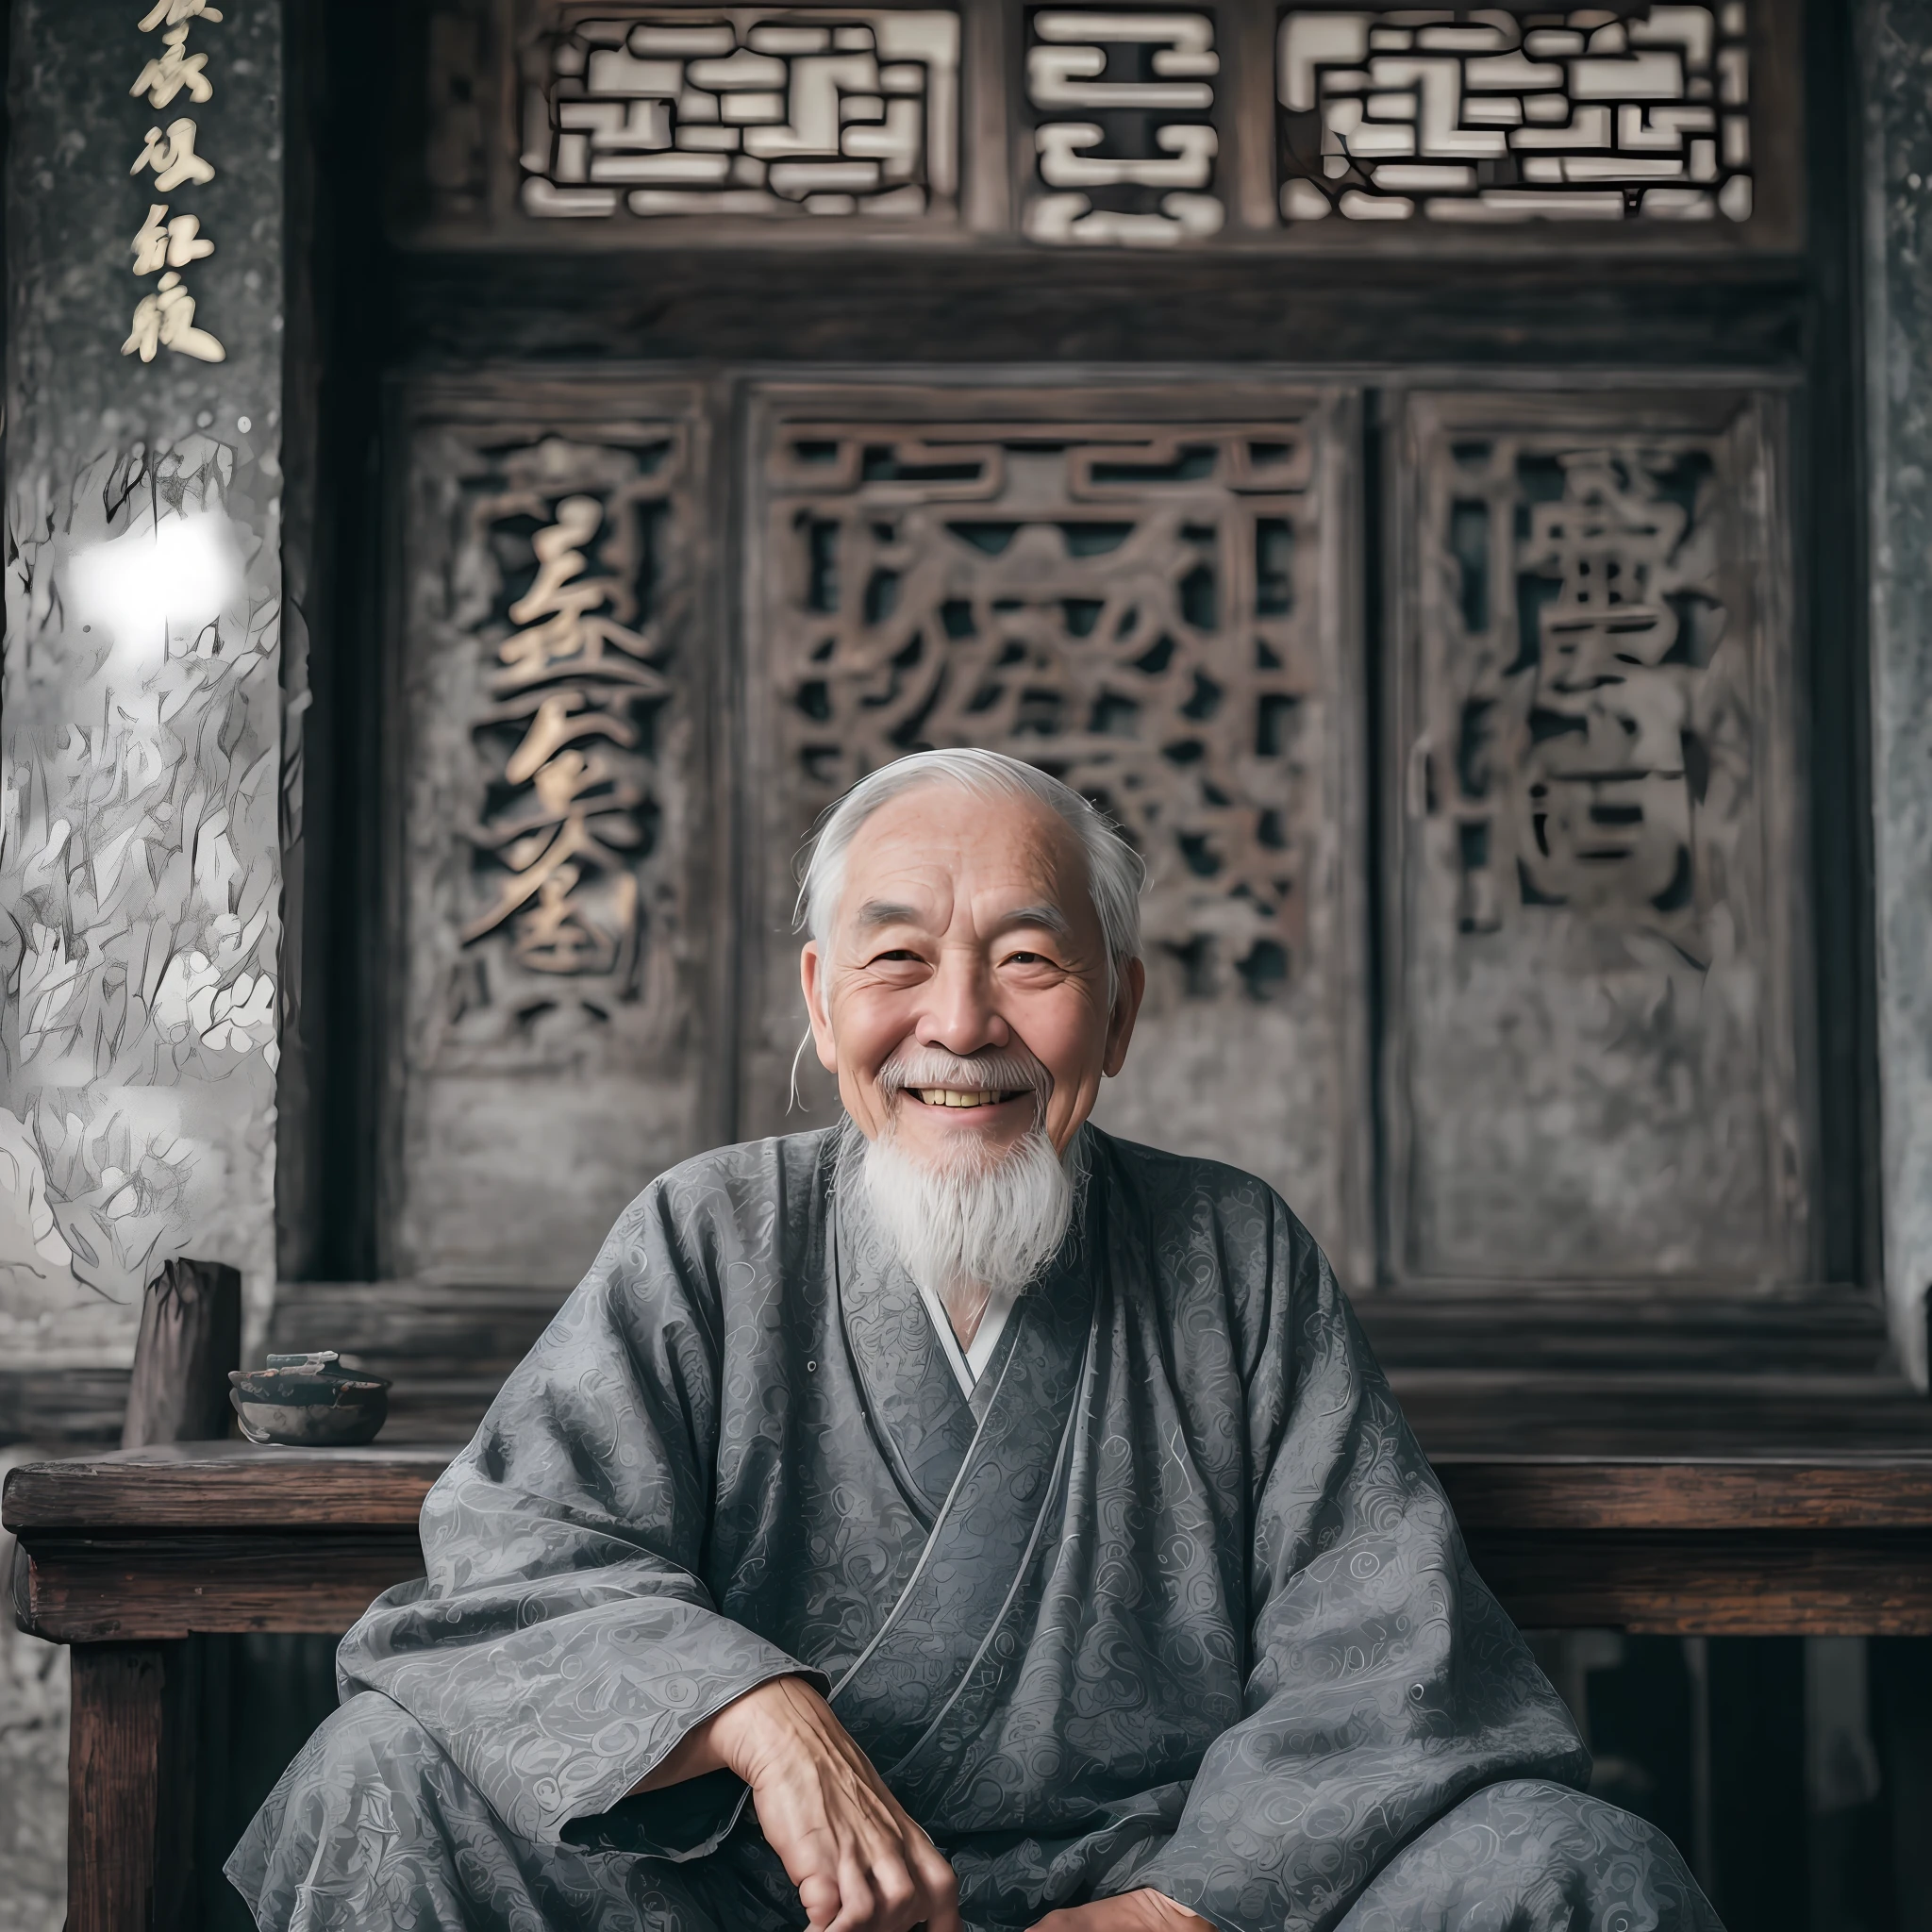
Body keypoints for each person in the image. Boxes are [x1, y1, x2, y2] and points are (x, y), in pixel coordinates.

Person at [229, 748, 1720, 1932]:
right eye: (896, 963)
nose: (959, 1023)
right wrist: (750, 1710)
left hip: (1161, 1893)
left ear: (1118, 1011)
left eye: (1029, 961)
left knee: (1565, 1867)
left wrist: (1182, 1907)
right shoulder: (710, 1237)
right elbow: (509, 1560)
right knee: (383, 1780)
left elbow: (1389, 1650)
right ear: (822, 1003)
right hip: (767, 1903)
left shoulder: (1233, 1256)